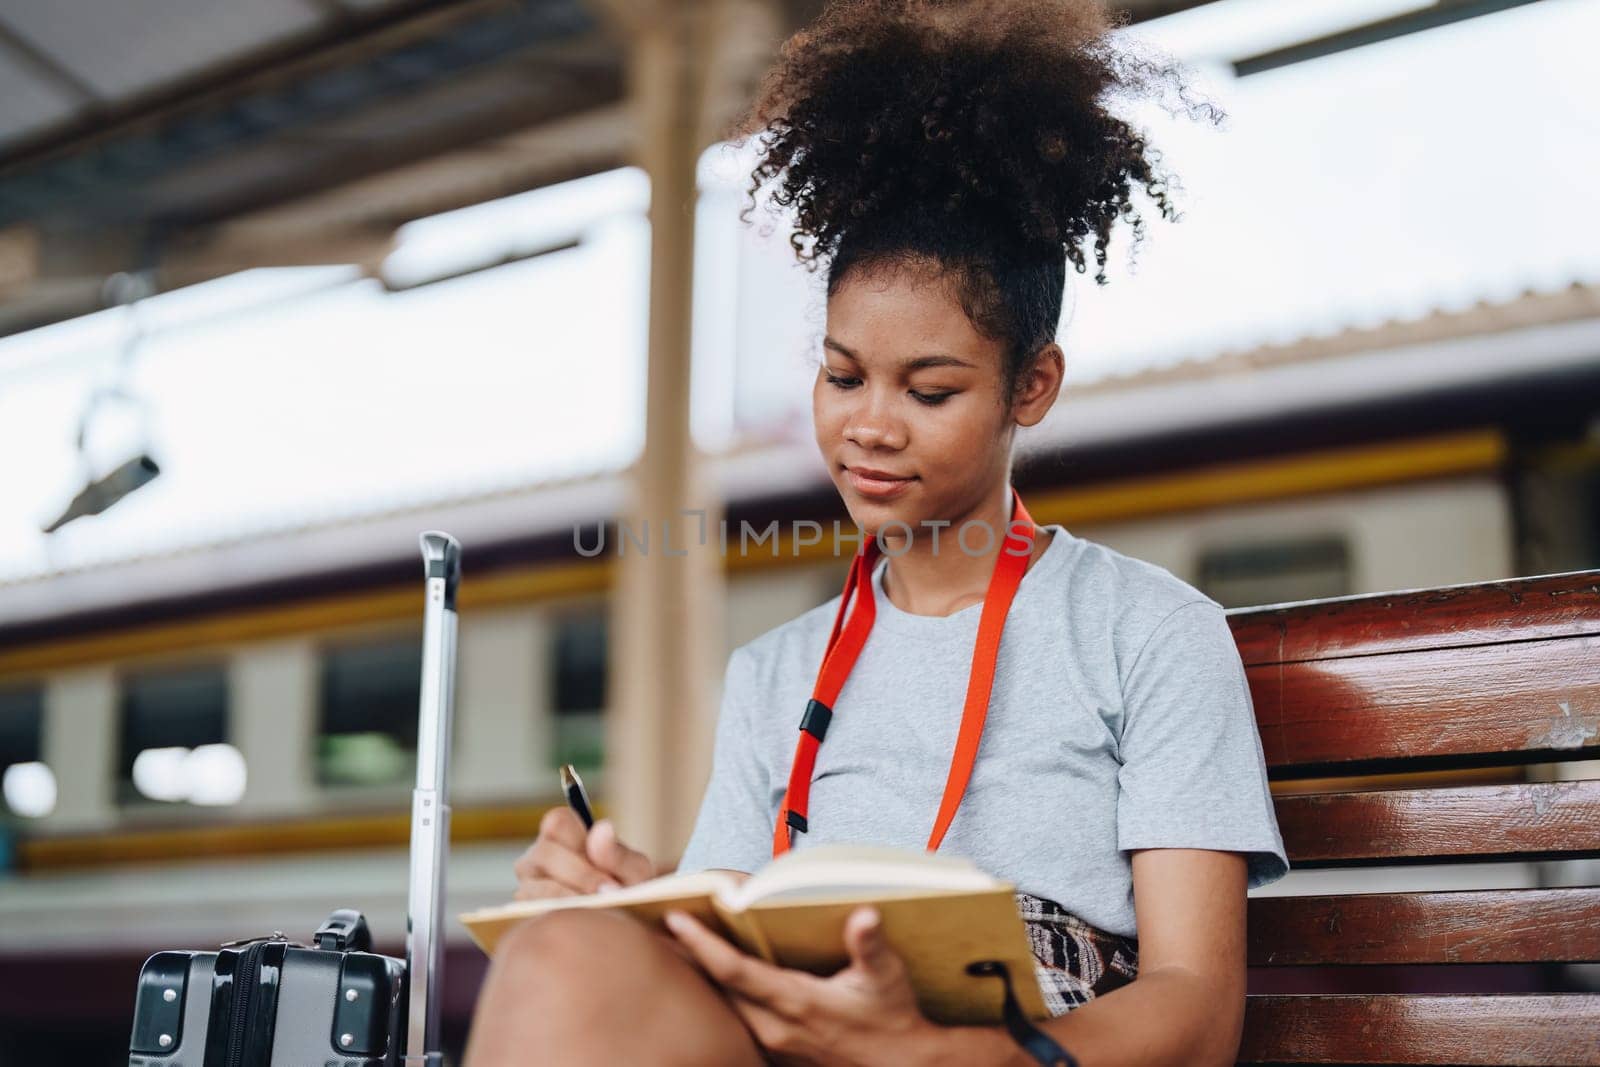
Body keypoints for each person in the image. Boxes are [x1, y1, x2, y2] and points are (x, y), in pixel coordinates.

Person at [464, 1, 1288, 1063]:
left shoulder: (1150, 634)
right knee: (560, 951)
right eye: (841, 374)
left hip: (1010, 1049)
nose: (868, 425)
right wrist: (632, 889)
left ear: (1029, 386)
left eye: (929, 389)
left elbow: (1196, 1004)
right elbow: (733, 933)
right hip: (803, 1032)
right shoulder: (776, 674)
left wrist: (955, 1055)